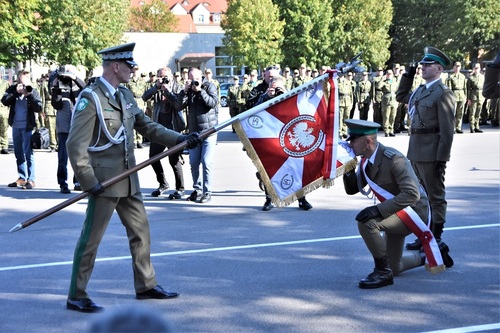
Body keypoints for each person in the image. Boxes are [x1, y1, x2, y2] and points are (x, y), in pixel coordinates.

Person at [65, 42, 201, 313]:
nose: (133, 70)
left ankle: (146, 285)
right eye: (129, 66)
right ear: (115, 67)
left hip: (129, 178)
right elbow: (75, 145)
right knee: (91, 240)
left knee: (141, 233)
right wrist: (89, 181)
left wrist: (181, 139)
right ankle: (77, 294)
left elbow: (148, 127)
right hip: (103, 182)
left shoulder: (125, 95)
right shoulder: (90, 98)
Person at [342, 119, 451, 288]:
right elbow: (351, 189)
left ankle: (382, 273)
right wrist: (347, 166)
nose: (350, 144)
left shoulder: (394, 159)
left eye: (353, 140)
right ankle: (432, 254)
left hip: (414, 212)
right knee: (395, 266)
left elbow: (412, 194)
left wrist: (377, 210)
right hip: (395, 211)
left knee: (367, 223)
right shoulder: (366, 160)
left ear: (368, 142)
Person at [396, 46, 455, 257]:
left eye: (427, 65)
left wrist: (442, 159)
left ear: (438, 69)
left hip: (431, 154)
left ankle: (435, 237)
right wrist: (407, 75)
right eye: (421, 65)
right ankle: (424, 236)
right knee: (420, 197)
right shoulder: (421, 90)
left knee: (435, 197)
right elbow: (400, 96)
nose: (422, 67)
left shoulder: (443, 93)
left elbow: (447, 131)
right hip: (415, 150)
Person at [251, 76, 313, 212]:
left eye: (279, 88)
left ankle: (302, 199)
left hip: (289, 139)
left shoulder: (292, 98)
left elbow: (302, 112)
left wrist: (286, 94)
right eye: (274, 88)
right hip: (271, 139)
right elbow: (252, 113)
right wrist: (266, 96)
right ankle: (269, 198)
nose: (277, 91)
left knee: (296, 169)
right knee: (269, 169)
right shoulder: (264, 97)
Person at [165, 67, 219, 204]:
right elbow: (178, 106)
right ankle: (198, 190)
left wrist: (200, 91)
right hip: (194, 133)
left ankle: (207, 192)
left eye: (196, 79)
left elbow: (212, 103)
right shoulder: (188, 90)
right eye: (191, 79)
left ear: (201, 77)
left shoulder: (209, 86)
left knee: (206, 162)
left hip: (209, 131)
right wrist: (184, 91)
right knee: (194, 163)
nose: (194, 82)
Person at [142, 67, 186, 199]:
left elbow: (178, 105)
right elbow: (145, 97)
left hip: (173, 127)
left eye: (165, 76)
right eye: (161, 76)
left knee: (174, 160)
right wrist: (157, 86)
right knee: (153, 158)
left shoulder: (178, 87)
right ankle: (163, 183)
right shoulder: (157, 87)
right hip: (158, 126)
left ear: (171, 76)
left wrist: (167, 90)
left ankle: (180, 188)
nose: (164, 79)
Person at [2, 69, 43, 189]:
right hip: (15, 126)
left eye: (26, 83)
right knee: (18, 153)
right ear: (18, 82)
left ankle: (31, 179)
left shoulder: (32, 91)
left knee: (28, 153)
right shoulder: (13, 89)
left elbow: (39, 107)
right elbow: (4, 101)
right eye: (21, 83)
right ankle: (22, 177)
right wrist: (15, 92)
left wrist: (28, 96)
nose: (24, 86)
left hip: (27, 127)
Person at [50, 64, 86, 194]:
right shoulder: (57, 85)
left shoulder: (78, 85)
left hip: (77, 125)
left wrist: (74, 77)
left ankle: (78, 182)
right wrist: (55, 89)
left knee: (78, 156)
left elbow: (86, 88)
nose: (66, 77)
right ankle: (63, 183)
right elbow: (56, 104)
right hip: (64, 125)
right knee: (63, 157)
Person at [126, 65, 147, 148]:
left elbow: (145, 93)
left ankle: (140, 140)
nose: (135, 72)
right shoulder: (129, 81)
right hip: (132, 101)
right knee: (132, 122)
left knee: (140, 121)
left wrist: (145, 105)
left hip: (141, 101)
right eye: (134, 70)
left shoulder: (143, 81)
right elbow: (126, 93)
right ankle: (134, 141)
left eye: (136, 70)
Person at [446, 61, 468, 133]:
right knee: (453, 113)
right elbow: (449, 89)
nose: (457, 67)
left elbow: (465, 87)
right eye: (456, 66)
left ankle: (458, 127)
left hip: (461, 95)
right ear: (454, 67)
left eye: (459, 66)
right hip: (454, 95)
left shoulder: (462, 76)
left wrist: (466, 96)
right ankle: (453, 128)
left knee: (460, 113)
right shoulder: (451, 77)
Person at [467, 63, 485, 133]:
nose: (476, 69)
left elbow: (484, 87)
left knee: (478, 112)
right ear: (473, 69)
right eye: (475, 68)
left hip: (481, 96)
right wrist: (468, 99)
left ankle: (477, 126)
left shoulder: (482, 77)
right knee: (472, 112)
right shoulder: (471, 78)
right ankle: (472, 127)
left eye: (477, 68)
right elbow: (468, 89)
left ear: (480, 68)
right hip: (473, 96)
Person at [380, 69, 399, 137]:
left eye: (390, 74)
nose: (389, 75)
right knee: (386, 116)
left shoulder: (394, 81)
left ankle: (391, 130)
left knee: (393, 116)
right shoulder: (384, 82)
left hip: (394, 100)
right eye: (388, 74)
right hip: (386, 100)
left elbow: (397, 90)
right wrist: (382, 79)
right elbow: (378, 87)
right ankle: (386, 130)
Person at [0, 77, 10, 154]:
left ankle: (4, 146)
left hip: (3, 109)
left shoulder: (5, 83)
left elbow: (9, 95)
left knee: (4, 128)